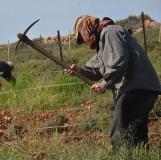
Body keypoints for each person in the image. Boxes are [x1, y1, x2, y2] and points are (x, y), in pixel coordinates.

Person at [65, 15, 161, 152]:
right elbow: (96, 69)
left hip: (136, 87)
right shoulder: (102, 42)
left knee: (120, 131)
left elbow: (119, 61)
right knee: (136, 134)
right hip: (143, 87)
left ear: (86, 28)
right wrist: (79, 71)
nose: (84, 41)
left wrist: (105, 84)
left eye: (82, 36)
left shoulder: (109, 32)